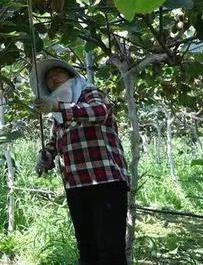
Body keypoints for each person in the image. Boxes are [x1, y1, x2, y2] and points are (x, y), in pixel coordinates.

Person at [31, 58, 129, 265]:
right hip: (75, 184)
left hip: (106, 180)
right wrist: (46, 157)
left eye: (58, 73)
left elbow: (99, 112)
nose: (54, 78)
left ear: (71, 76)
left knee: (110, 249)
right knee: (87, 247)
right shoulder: (57, 116)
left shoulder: (89, 93)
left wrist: (57, 106)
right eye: (49, 78)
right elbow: (55, 142)